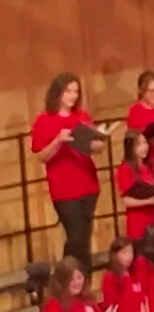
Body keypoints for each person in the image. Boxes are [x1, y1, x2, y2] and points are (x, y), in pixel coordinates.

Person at [32, 73, 105, 269]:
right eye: (68, 91)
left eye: (76, 92)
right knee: (76, 237)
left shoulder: (81, 117)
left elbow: (94, 147)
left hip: (88, 185)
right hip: (64, 189)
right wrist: (58, 141)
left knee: (84, 240)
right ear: (58, 92)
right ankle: (69, 276)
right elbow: (41, 155)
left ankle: (77, 279)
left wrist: (99, 142)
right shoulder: (45, 120)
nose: (73, 96)